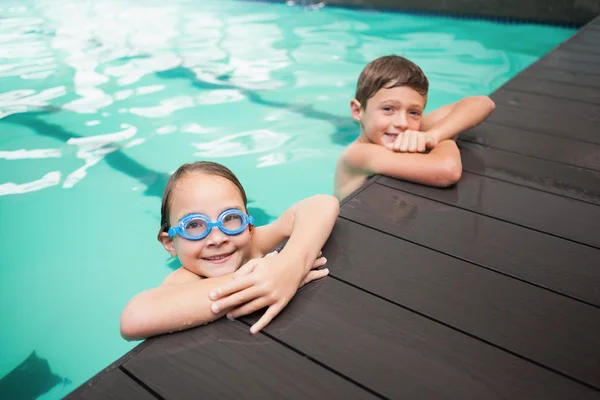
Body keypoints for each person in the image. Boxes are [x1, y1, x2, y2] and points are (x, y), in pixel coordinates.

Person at [120, 161, 339, 340]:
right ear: (170, 243)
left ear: (249, 227)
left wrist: (289, 266)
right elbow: (134, 318)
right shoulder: (184, 280)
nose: (217, 238)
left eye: (230, 218)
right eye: (194, 225)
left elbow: (322, 203)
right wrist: (260, 280)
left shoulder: (252, 244)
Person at [334, 55, 496, 200]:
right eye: (388, 109)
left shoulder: (404, 128)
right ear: (357, 111)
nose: (402, 123)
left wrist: (435, 134)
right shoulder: (358, 154)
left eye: (413, 112)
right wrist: (446, 136)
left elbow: (483, 103)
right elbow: (447, 171)